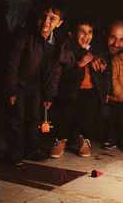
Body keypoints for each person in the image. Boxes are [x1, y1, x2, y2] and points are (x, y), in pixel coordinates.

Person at [5, 0, 69, 165]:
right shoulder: (25, 34)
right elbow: (13, 61)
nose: (46, 22)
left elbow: (56, 71)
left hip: (37, 87)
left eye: (52, 18)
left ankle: (31, 149)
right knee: (16, 117)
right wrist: (11, 88)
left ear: (59, 23)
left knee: (34, 118)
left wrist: (49, 95)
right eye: (43, 16)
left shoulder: (57, 43)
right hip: (19, 84)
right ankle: (15, 152)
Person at [50, 16, 101, 158]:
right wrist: (79, 65)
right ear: (72, 34)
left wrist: (101, 64)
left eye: (89, 31)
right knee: (67, 113)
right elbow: (63, 77)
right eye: (82, 32)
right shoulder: (68, 51)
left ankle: (84, 140)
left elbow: (101, 69)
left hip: (90, 91)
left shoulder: (94, 50)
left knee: (88, 115)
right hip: (72, 90)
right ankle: (60, 140)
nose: (86, 35)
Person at [90, 20, 123, 149]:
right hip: (98, 100)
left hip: (118, 99)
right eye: (112, 38)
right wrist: (90, 56)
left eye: (122, 40)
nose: (116, 44)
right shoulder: (95, 49)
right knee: (105, 111)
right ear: (104, 34)